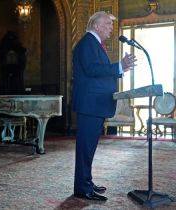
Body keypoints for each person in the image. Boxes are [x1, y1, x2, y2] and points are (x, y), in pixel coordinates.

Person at [72, 11, 137, 201]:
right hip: (90, 105)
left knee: (89, 147)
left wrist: (120, 69)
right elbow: (92, 70)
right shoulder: (87, 43)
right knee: (85, 147)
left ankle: (86, 182)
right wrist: (118, 66)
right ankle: (82, 188)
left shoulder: (94, 44)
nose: (111, 28)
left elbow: (98, 71)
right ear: (97, 26)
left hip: (95, 105)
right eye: (108, 24)